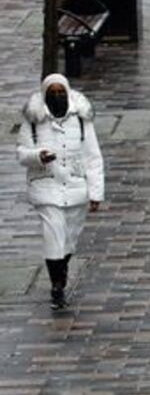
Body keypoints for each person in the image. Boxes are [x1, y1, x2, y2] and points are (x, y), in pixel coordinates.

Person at [16, 74, 104, 310]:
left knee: (69, 238)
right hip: (46, 186)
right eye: (52, 93)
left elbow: (93, 157)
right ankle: (57, 285)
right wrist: (38, 155)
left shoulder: (82, 120)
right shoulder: (33, 120)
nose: (57, 97)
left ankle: (61, 267)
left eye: (61, 92)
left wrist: (96, 193)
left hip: (76, 188)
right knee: (52, 235)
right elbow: (21, 153)